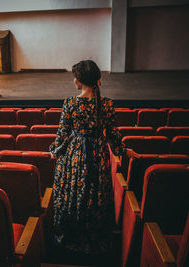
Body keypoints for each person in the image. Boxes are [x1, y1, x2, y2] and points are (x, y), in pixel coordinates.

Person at [49, 60, 138, 262]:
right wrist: (124, 150)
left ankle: (72, 234)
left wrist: (54, 150)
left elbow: (62, 135)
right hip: (98, 155)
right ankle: (93, 234)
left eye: (75, 76)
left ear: (80, 81)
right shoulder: (107, 104)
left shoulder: (70, 103)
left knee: (73, 191)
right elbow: (114, 137)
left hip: (75, 156)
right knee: (95, 191)